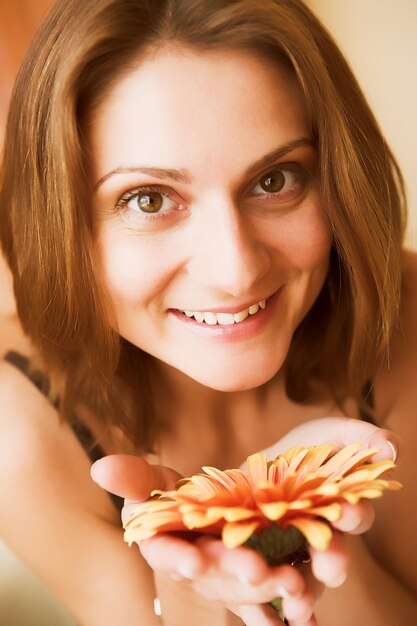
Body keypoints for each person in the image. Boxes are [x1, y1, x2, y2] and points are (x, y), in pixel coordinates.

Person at [0, 0, 416, 625]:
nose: (236, 270)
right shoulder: (22, 426)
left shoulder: (407, 325)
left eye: (276, 180)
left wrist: (315, 543)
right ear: (57, 221)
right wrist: (197, 587)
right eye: (148, 199)